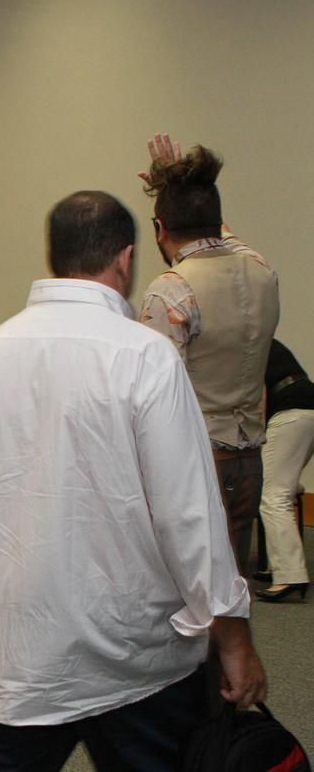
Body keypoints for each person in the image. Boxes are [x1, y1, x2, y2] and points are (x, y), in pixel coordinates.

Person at [0, 191, 266, 771]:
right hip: (135, 659)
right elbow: (189, 515)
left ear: (52, 258)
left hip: (19, 657)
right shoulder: (144, 356)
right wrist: (233, 639)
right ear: (127, 258)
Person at [137, 133, 279, 574]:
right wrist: (177, 190)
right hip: (249, 457)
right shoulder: (261, 272)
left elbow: (159, 396)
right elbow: (223, 234)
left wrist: (166, 190)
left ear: (160, 229)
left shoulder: (172, 288)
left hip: (199, 461)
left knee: (187, 593)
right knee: (230, 591)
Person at [256, 339, 313, 602]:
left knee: (272, 496)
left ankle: (290, 576)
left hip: (291, 411)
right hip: (306, 406)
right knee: (278, 492)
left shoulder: (244, 342)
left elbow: (261, 395)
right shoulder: (261, 334)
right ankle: (277, 566)